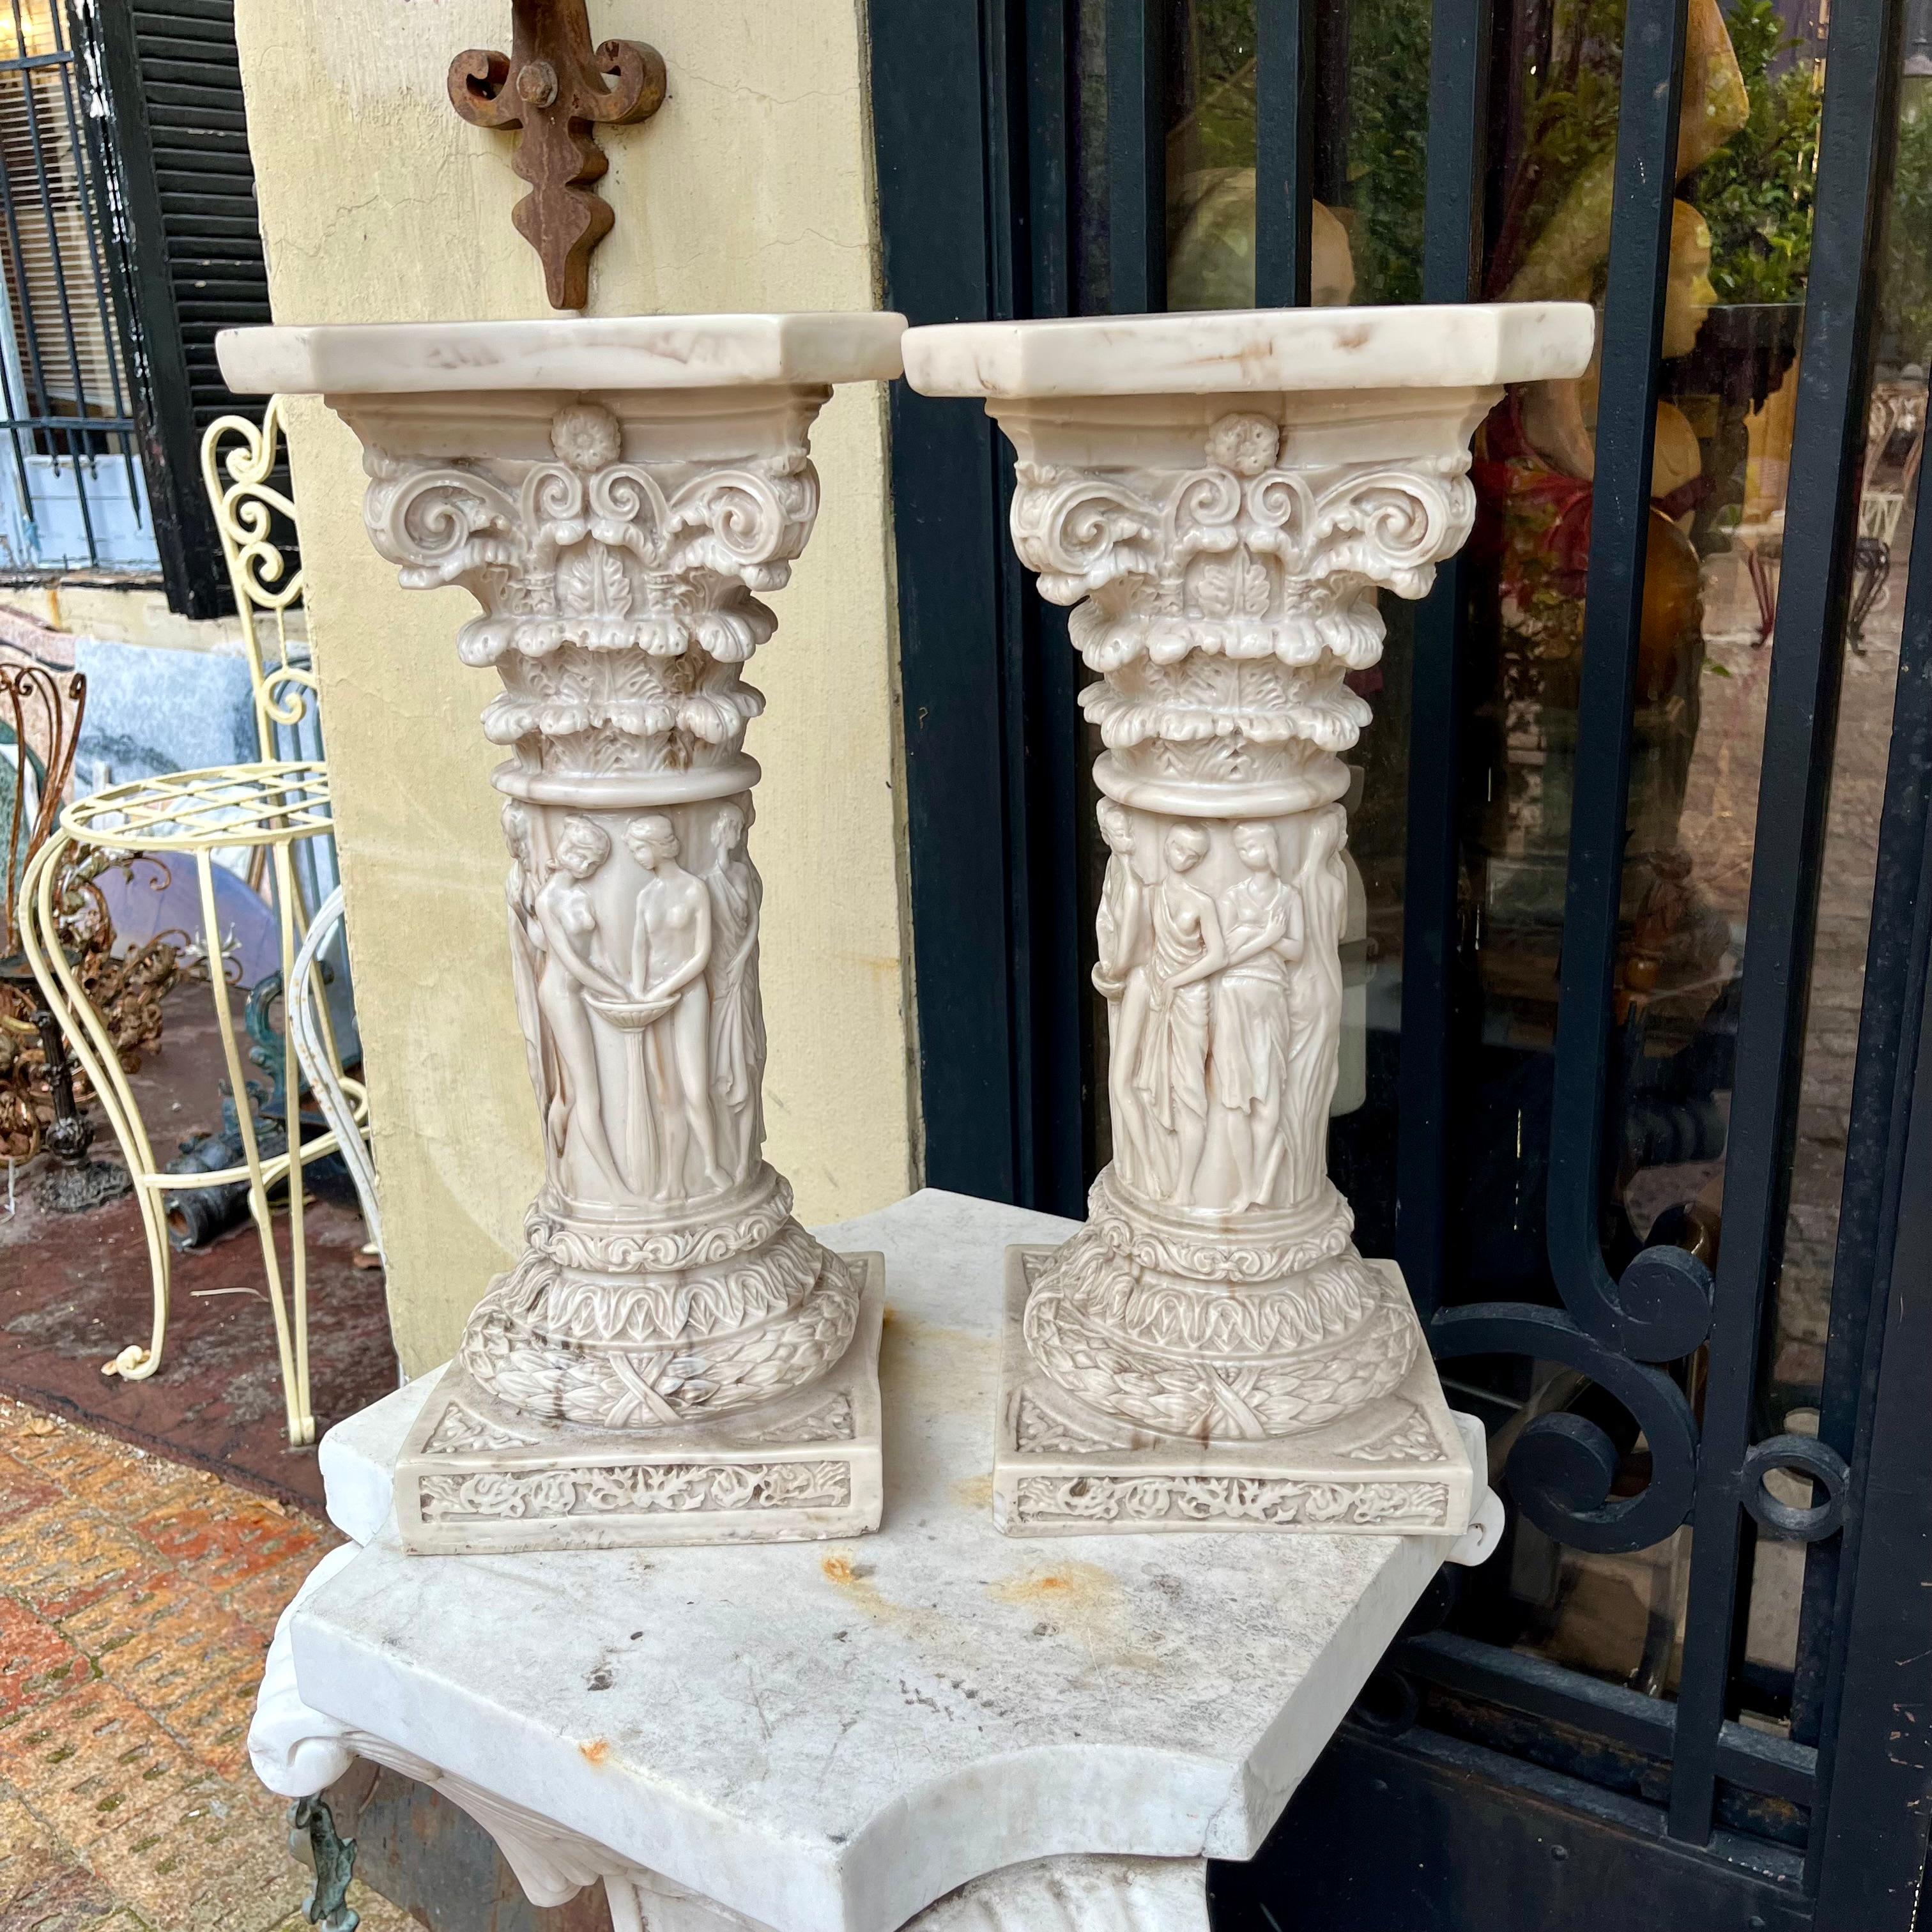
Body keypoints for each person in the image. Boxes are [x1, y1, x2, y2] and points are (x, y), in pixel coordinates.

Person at [628, 813, 728, 1200]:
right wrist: (640, 994)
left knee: (695, 1090)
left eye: (640, 848)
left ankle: (711, 1167)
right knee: (666, 1094)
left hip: (687, 996)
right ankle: (673, 1180)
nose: (637, 856)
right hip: (655, 1001)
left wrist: (665, 989)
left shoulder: (694, 889)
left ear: (660, 846)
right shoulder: (646, 896)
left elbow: (701, 954)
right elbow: (640, 949)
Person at [532, 812, 627, 1197]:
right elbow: (571, 961)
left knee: (572, 1091)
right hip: (562, 994)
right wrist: (615, 992)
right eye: (583, 854)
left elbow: (598, 953)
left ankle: (566, 1169)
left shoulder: (583, 896)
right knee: (588, 1093)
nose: (587, 864)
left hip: (584, 992)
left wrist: (624, 985)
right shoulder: (547, 899)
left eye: (594, 860)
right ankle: (614, 1187)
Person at [1212, 822, 1302, 1212]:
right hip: (1234, 996)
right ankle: (1248, 1185)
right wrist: (1267, 937)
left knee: (1269, 1098)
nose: (1247, 854)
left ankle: (1263, 1178)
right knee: (1235, 1100)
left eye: (1252, 846)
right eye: (1241, 849)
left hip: (1270, 997)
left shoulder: (1289, 896)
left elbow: (1297, 950)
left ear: (1270, 847)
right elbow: (1224, 954)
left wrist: (1256, 936)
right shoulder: (1232, 897)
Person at [1134, 823, 1225, 1207]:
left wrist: (1177, 981)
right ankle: (1161, 1173)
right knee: (1153, 1085)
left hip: (1190, 999)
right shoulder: (1152, 894)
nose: (1183, 858)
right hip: (1161, 997)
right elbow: (1141, 947)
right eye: (1178, 848)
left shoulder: (1202, 902)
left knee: (1190, 1094)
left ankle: (1186, 1188)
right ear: (1167, 845)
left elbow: (1218, 956)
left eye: (1193, 854)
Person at [705, 801, 765, 1179]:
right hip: (719, 977)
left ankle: (743, 1160)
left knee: (747, 1060)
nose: (737, 835)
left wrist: (743, 958)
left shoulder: (742, 873)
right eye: (732, 828)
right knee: (720, 1072)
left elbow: (753, 921)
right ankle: (727, 1158)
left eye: (740, 829)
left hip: (739, 975)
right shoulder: (706, 882)